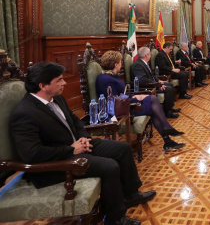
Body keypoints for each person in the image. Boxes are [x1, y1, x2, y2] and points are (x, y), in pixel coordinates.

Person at [9, 61, 157, 225]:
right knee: (110, 166)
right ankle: (115, 218)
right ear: (43, 85)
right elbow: (32, 154)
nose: (64, 83)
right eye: (59, 80)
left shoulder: (56, 98)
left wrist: (84, 137)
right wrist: (71, 149)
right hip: (56, 163)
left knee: (122, 149)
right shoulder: (25, 113)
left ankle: (131, 194)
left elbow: (76, 122)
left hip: (78, 145)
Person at [97, 51, 186, 152]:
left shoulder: (110, 76)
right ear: (116, 64)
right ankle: (167, 135)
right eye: (120, 62)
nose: (121, 64)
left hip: (126, 103)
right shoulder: (106, 80)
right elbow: (114, 102)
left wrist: (136, 95)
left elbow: (121, 94)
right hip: (122, 111)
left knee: (152, 100)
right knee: (153, 101)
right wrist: (133, 98)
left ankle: (168, 139)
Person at [131, 46, 181, 118]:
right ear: (146, 55)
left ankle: (170, 107)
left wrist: (159, 81)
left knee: (169, 84)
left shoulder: (143, 63)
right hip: (146, 87)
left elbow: (150, 75)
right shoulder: (137, 65)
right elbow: (143, 80)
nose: (151, 55)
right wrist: (157, 84)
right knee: (168, 89)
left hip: (152, 83)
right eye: (150, 54)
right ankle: (167, 112)